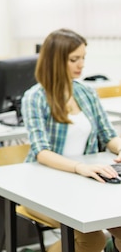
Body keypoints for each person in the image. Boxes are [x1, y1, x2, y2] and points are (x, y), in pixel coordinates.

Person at [21, 28, 121, 252]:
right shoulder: (35, 97)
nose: (81, 64)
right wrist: (80, 168)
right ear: (55, 60)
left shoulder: (86, 92)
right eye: (74, 59)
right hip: (43, 184)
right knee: (90, 238)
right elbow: (41, 152)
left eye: (83, 58)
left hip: (85, 182)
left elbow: (108, 135)